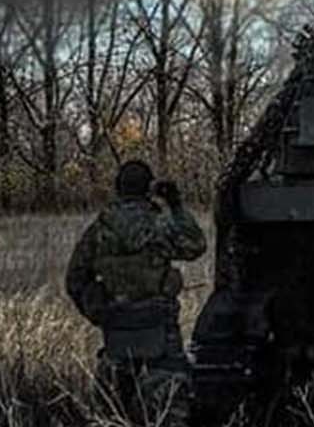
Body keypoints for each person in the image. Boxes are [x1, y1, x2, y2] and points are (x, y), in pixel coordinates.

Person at [66, 159, 207, 427]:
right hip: (159, 327)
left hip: (116, 329)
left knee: (110, 411)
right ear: (148, 189)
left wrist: (97, 310)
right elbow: (196, 245)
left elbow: (74, 280)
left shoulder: (99, 230)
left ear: (118, 188)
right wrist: (176, 205)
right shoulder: (160, 226)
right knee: (169, 407)